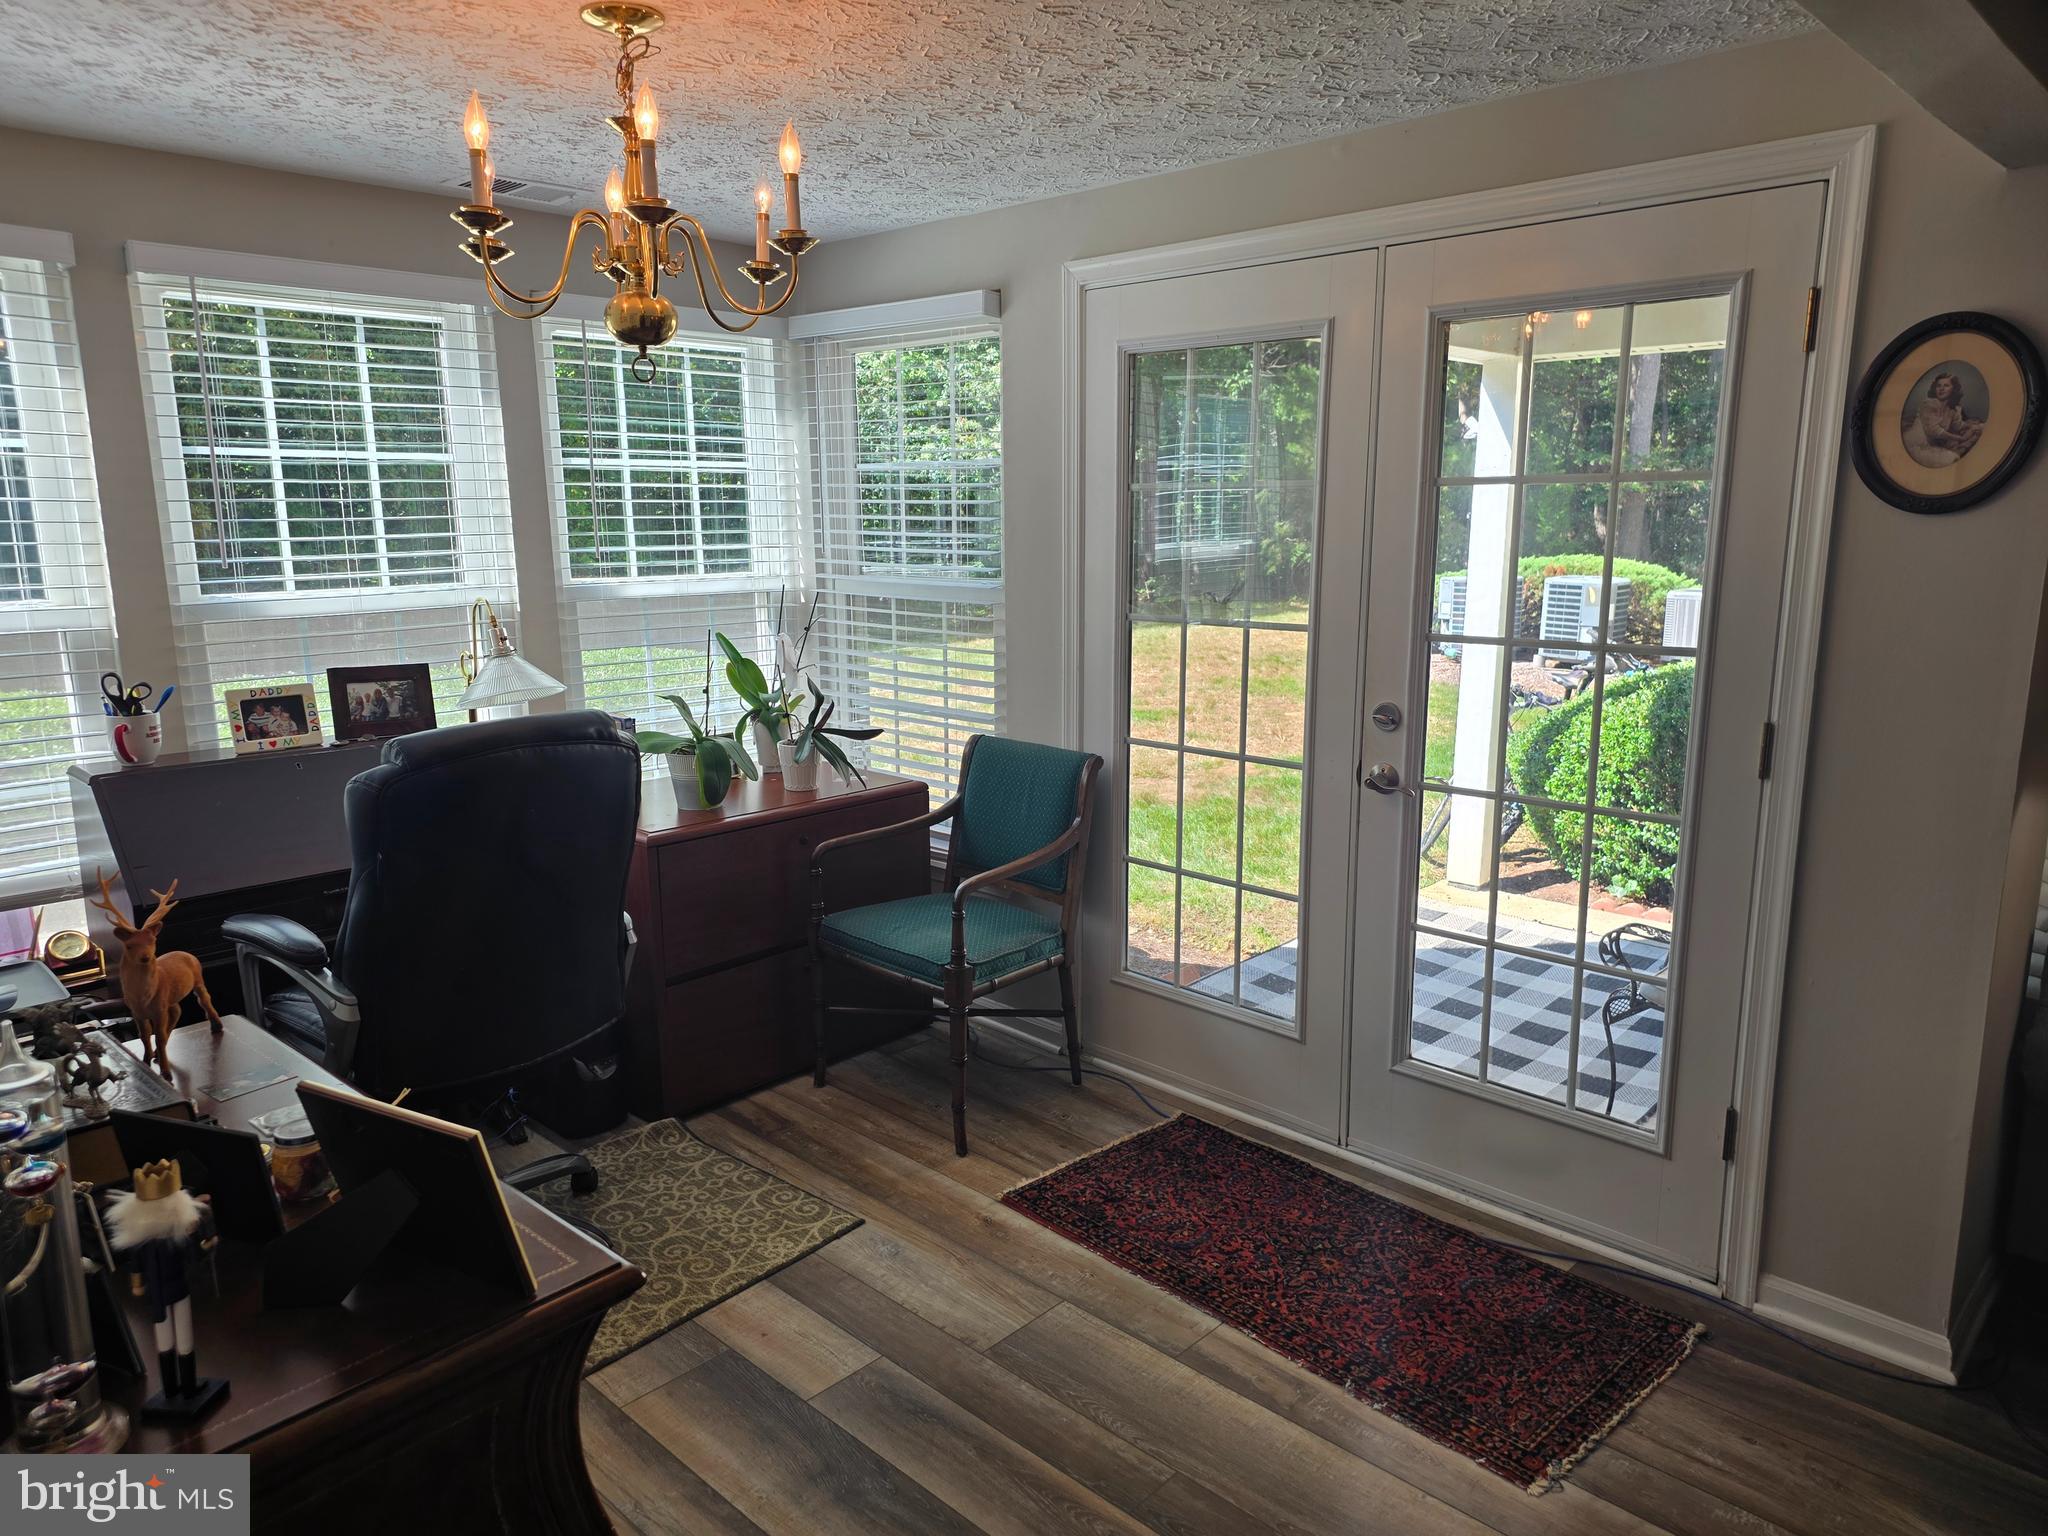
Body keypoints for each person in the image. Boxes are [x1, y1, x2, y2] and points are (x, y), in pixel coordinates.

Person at [1902, 371, 1985, 468]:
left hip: (1934, 444)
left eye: (1946, 385)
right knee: (1951, 458)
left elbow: (1958, 426)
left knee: (1980, 428)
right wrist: (1959, 438)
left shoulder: (1953, 408)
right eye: (1938, 386)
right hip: (1918, 445)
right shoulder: (1928, 404)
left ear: (1954, 389)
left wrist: (1973, 425)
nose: (1941, 389)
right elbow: (1933, 431)